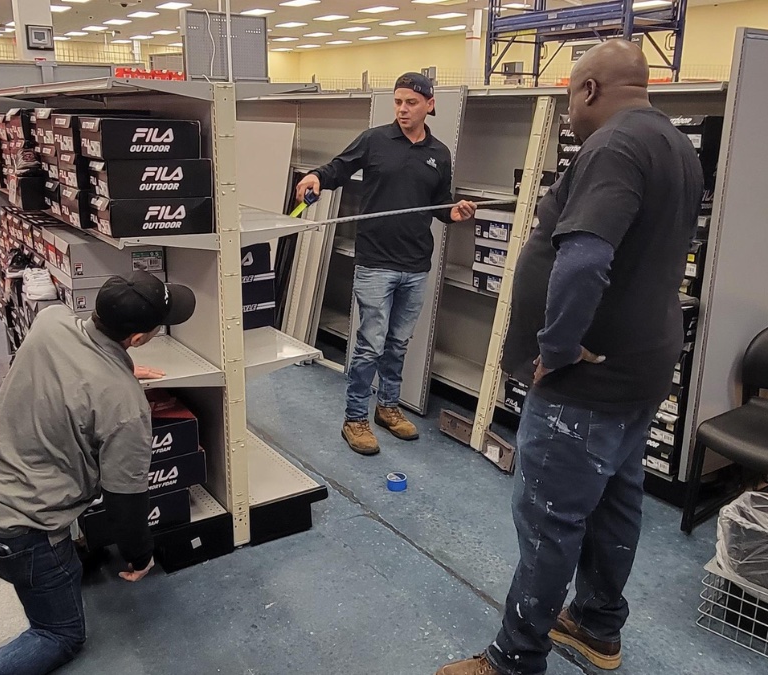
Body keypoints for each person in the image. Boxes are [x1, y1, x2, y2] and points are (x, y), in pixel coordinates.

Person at [437, 40, 703, 675]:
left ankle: (514, 658)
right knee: (616, 502)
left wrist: (553, 349)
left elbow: (584, 258)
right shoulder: (674, 144)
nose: (566, 114)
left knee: (549, 522)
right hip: (638, 370)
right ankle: (595, 625)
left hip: (584, 381)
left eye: (567, 98)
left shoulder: (612, 147)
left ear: (588, 90)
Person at [0, 270, 196, 675]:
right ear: (137, 339)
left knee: (63, 565)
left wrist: (118, 372)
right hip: (16, 528)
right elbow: (124, 502)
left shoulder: (51, 320)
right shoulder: (126, 408)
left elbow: (74, 370)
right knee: (59, 636)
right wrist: (140, 555)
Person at [296, 71, 476, 456]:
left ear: (430, 105)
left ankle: (388, 409)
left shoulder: (439, 154)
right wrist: (315, 176)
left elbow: (440, 204)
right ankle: (355, 418)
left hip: (415, 264)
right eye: (397, 102)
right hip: (376, 261)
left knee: (397, 344)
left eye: (411, 102)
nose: (403, 109)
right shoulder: (375, 139)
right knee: (370, 345)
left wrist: (453, 212)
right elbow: (338, 168)